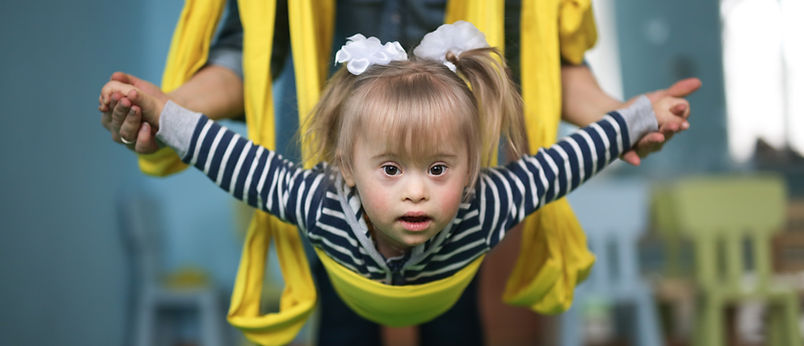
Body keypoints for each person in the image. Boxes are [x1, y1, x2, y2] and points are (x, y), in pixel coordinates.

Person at [99, 20, 691, 337]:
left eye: (439, 169)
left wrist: (641, 114)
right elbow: (226, 154)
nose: (416, 190)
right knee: (343, 337)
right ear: (345, 169)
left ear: (474, 164)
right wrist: (161, 110)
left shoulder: (489, 200)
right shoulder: (319, 200)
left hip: (450, 293)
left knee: (458, 338)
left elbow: (573, 157)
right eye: (390, 169)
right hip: (346, 282)